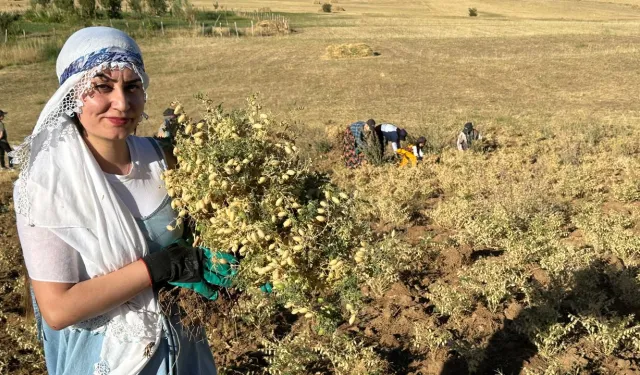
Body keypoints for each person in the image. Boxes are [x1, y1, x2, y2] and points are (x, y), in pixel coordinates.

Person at [12, 27, 217, 375]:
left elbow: (205, 232)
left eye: (132, 86)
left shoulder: (164, 159)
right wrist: (160, 267)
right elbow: (58, 309)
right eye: (102, 87)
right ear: (72, 94)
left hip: (184, 347)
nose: (121, 103)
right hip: (110, 357)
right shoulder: (47, 186)